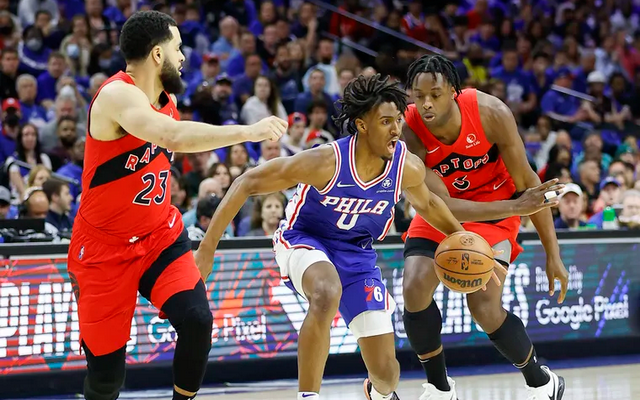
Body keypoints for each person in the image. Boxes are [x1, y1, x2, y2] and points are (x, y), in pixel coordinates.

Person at [195, 74, 507, 400]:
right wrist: (207, 248)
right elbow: (246, 183)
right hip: (305, 239)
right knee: (326, 291)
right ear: (362, 125)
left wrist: (467, 241)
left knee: (387, 375)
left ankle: (376, 391)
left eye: (398, 120)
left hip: (357, 255)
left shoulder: (406, 166)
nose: (395, 129)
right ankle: (308, 397)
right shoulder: (325, 162)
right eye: (385, 121)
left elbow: (428, 204)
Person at [67, 11, 287, 400]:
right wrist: (248, 131)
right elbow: (172, 136)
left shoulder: (167, 99)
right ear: (157, 54)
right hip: (104, 249)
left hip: (158, 236)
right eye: (177, 47)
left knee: (198, 321)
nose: (183, 56)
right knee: (106, 381)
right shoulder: (117, 95)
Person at [400, 54, 568, 400]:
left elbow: (528, 185)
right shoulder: (410, 129)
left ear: (453, 91)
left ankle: (541, 381)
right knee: (414, 287)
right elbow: (440, 203)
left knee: (484, 307)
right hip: (445, 210)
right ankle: (439, 388)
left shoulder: (491, 113)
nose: (426, 103)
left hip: (496, 211)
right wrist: (515, 207)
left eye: (435, 94)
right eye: (419, 96)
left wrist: (553, 254)